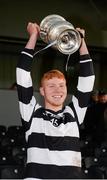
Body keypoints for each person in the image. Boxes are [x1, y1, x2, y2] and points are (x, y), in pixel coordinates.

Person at [16, 22, 95, 179]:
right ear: (43, 91)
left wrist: (80, 42)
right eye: (51, 86)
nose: (58, 90)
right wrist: (33, 36)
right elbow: (22, 74)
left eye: (61, 85)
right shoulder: (31, 113)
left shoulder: (74, 113)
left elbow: (87, 79)